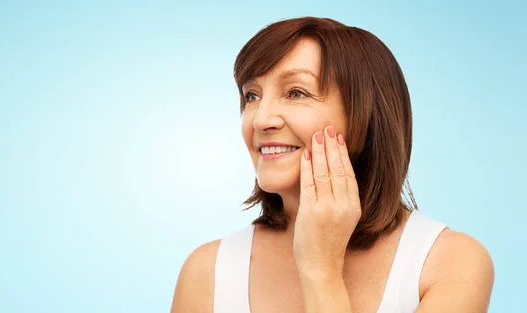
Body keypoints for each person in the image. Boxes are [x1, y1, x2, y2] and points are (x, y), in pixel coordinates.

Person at [170, 16, 494, 313]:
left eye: (296, 93)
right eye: (251, 96)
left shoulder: (451, 263)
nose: (261, 119)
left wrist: (320, 271)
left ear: (365, 118)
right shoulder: (207, 272)